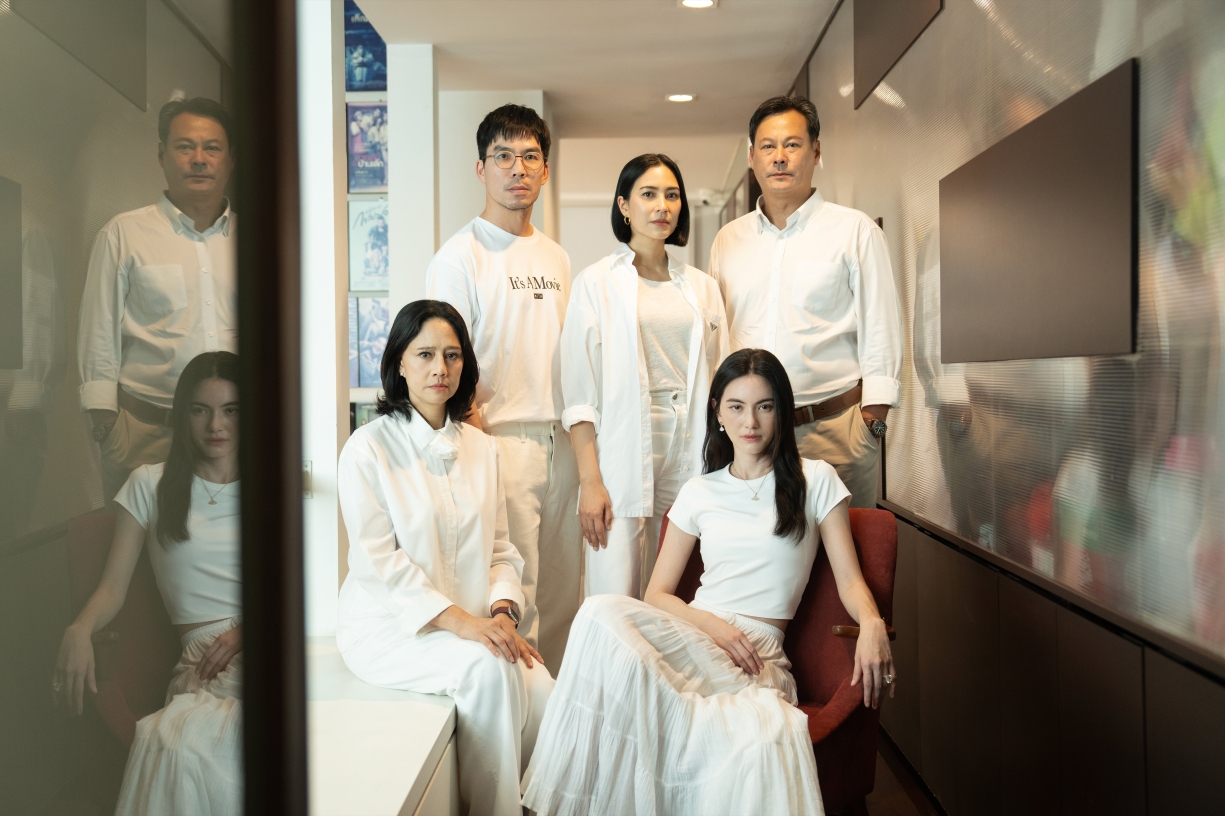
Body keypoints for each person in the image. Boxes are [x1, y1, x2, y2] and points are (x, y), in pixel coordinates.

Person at [522, 348, 895, 816]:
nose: (750, 422)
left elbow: (851, 582)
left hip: (756, 654)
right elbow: (656, 595)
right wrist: (714, 628)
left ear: (781, 410)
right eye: (736, 406)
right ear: (718, 412)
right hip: (696, 631)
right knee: (597, 612)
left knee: (727, 727)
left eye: (764, 406)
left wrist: (872, 622)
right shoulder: (700, 490)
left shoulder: (815, 479)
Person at [336, 300, 554, 816]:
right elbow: (377, 563)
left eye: (452, 355)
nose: (440, 368)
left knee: (545, 689)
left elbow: (500, 550)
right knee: (490, 671)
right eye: (425, 354)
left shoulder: (483, 449)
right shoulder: (367, 449)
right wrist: (465, 625)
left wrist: (502, 615)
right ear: (399, 362)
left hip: (473, 624)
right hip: (391, 628)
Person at [53, 351, 243, 816]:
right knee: (182, 746)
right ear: (183, 415)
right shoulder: (150, 484)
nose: (215, 425)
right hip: (205, 665)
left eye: (230, 410)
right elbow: (112, 589)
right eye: (200, 410)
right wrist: (79, 628)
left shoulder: (275, 484)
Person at [425, 104, 581, 669]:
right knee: (517, 591)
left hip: (563, 440)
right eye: (504, 156)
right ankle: (523, 709)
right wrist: (476, 438)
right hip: (500, 438)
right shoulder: (459, 256)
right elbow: (444, 356)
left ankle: (559, 708)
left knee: (565, 591)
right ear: (481, 168)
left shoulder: (557, 257)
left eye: (530, 157)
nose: (518, 168)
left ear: (545, 170)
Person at [709, 96, 902, 508]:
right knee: (757, 545)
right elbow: (717, 336)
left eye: (792, 145)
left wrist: (872, 425)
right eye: (768, 146)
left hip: (834, 430)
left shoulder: (855, 231)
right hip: (750, 433)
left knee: (846, 547)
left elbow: (881, 329)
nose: (779, 157)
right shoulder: (728, 240)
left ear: (816, 151)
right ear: (751, 157)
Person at [561, 153, 729, 599]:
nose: (662, 206)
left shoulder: (702, 287)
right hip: (625, 440)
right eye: (648, 194)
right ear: (624, 205)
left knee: (681, 580)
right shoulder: (596, 282)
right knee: (617, 584)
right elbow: (579, 398)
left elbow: (723, 378)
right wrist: (590, 482)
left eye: (672, 195)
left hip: (691, 436)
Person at [78, 97, 237, 502]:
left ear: (230, 159)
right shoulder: (123, 234)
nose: (198, 159)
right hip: (146, 434)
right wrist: (107, 428)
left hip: (235, 434)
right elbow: (98, 335)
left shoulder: (255, 241)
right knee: (138, 541)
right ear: (162, 155)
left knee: (227, 538)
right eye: (185, 147)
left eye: (212, 148)